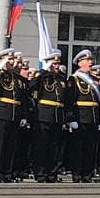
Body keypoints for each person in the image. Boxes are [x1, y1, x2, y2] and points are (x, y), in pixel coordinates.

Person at [0, 49, 28, 183]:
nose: (12, 62)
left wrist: (23, 116)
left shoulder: (17, 78)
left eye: (12, 59)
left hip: (15, 114)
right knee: (0, 145)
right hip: (2, 112)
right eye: (9, 60)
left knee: (11, 146)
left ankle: (8, 172)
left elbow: (23, 99)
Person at [64, 49, 100, 183]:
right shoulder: (73, 79)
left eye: (91, 60)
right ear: (80, 63)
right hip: (80, 117)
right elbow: (69, 100)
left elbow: (99, 101)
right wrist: (71, 119)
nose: (90, 63)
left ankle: (87, 174)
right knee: (78, 147)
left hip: (93, 117)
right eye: (88, 60)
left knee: (90, 148)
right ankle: (77, 173)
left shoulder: (93, 80)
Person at [28, 50, 66, 183]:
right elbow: (30, 87)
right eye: (54, 63)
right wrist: (43, 72)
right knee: (41, 146)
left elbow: (66, 99)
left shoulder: (61, 78)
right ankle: (40, 173)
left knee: (54, 147)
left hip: (58, 116)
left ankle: (52, 173)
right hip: (43, 115)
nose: (56, 66)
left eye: (58, 63)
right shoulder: (42, 77)